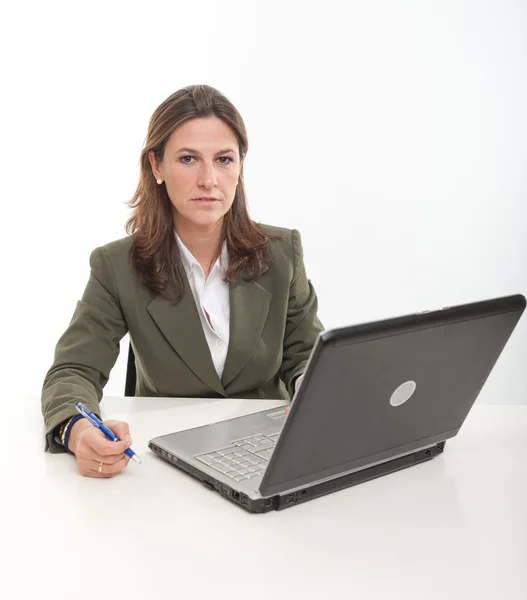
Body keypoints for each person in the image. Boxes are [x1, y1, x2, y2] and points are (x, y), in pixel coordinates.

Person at [41, 84, 323, 478]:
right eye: (189, 159)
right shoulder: (117, 265)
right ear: (157, 166)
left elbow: (306, 355)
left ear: (240, 167)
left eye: (224, 159)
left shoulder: (281, 252)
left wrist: (314, 396)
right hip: (165, 460)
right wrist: (78, 430)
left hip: (268, 450)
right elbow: (73, 371)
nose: (209, 179)